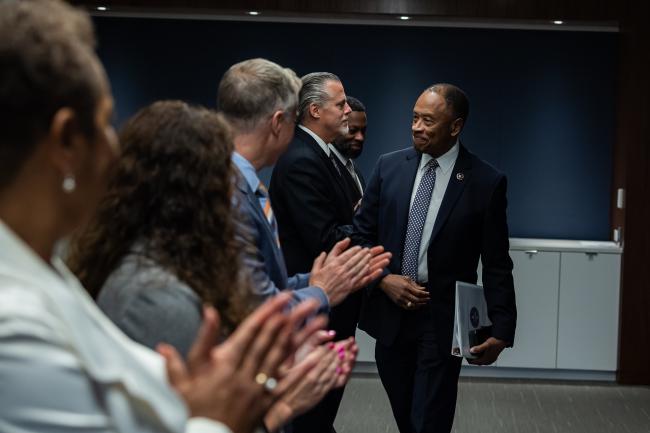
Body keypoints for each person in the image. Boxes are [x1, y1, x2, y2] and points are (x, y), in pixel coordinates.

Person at [0, 2, 323, 432]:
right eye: (105, 122)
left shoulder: (45, 273)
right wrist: (222, 418)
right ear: (65, 142)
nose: (116, 149)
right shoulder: (15, 324)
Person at [67, 100, 355, 432]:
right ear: (199, 190)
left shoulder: (171, 262)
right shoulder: (154, 297)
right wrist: (283, 402)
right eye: (225, 175)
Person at [351, 83, 517, 433]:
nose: (416, 127)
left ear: (455, 127)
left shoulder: (485, 181)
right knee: (406, 416)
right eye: (414, 118)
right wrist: (383, 279)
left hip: (440, 320)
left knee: (429, 420)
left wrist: (502, 328)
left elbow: (497, 260)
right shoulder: (388, 167)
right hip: (391, 316)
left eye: (428, 121)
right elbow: (360, 237)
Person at [216, 59, 390, 318]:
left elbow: (269, 282)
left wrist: (320, 281)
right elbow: (252, 299)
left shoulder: (244, 185)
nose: (294, 129)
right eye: (291, 119)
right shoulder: (235, 193)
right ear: (278, 122)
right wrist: (320, 291)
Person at [268, 73, 362, 433]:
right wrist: (372, 220)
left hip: (330, 305)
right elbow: (326, 237)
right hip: (315, 307)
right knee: (311, 415)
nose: (348, 111)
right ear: (314, 110)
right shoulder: (302, 160)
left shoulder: (327, 156)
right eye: (341, 104)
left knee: (321, 412)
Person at [330, 95, 368, 205]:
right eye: (352, 130)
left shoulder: (352, 167)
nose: (360, 137)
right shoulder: (325, 166)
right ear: (337, 127)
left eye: (363, 131)